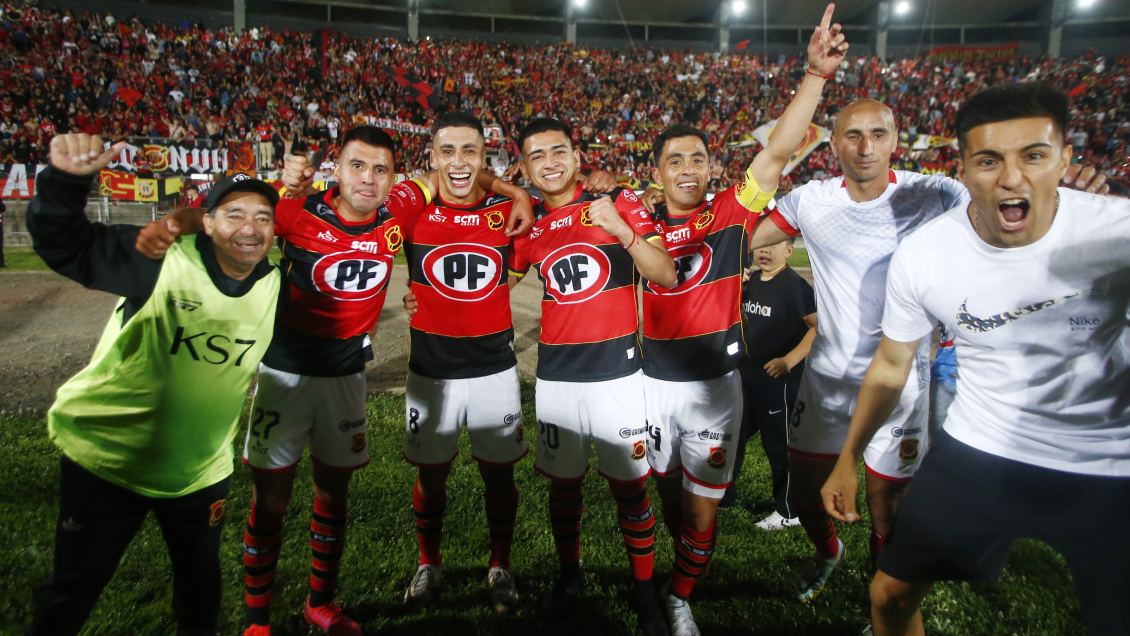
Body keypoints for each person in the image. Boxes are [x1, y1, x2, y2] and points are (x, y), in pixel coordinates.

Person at [749, 97, 1110, 606]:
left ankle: (883, 597)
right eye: (853, 135)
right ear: (833, 145)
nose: (866, 146)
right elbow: (743, 235)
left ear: (896, 140)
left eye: (878, 134)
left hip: (901, 378)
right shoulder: (811, 200)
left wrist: (1063, 196)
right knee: (807, 495)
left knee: (886, 507)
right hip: (826, 376)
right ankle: (827, 554)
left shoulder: (936, 192)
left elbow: (1010, 207)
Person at [639, 7, 846, 634]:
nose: (687, 168)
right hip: (649, 384)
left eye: (698, 158)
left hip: (715, 390)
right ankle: (681, 571)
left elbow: (780, 149)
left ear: (710, 166)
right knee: (671, 498)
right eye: (674, 160)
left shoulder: (731, 210)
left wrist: (814, 76)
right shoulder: (634, 225)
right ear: (656, 172)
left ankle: (678, 597)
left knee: (702, 512)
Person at [28, 133, 282, 635]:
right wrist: (64, 183)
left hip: (198, 473)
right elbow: (66, 246)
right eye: (233, 214)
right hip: (107, 458)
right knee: (72, 590)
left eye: (262, 217)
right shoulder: (161, 257)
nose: (249, 229)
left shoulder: (276, 285)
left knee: (201, 594)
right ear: (206, 222)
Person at [507, 117, 675, 634]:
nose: (551, 163)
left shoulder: (617, 200)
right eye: (538, 156)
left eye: (560, 151)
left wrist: (623, 230)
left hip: (618, 375)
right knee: (565, 487)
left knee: (630, 488)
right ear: (526, 166)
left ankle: (644, 589)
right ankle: (569, 576)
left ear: (578, 157)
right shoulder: (529, 224)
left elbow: (665, 273)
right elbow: (498, 285)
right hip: (556, 376)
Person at [400, 112, 535, 615]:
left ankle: (500, 565)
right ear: (432, 157)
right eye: (448, 151)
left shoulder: (509, 211)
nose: (459, 162)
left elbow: (516, 269)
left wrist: (516, 192)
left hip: (494, 370)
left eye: (470, 152)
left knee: (499, 476)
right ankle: (429, 562)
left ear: (485, 158)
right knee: (431, 475)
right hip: (430, 370)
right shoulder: (412, 207)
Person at [720, 237, 816, 535]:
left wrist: (789, 360)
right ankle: (723, 495)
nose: (765, 251)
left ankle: (789, 510)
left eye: (775, 245)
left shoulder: (794, 286)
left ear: (789, 250)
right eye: (762, 245)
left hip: (779, 384)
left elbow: (819, 326)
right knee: (730, 440)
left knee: (780, 447)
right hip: (746, 379)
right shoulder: (750, 281)